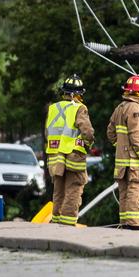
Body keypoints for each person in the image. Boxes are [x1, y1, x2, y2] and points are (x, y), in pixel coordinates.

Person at [106, 74, 139, 231]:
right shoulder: (136, 108)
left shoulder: (120, 108)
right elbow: (137, 135)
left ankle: (125, 222)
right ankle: (135, 223)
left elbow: (110, 133)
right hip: (134, 161)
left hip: (122, 161)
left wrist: (121, 146)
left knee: (124, 191)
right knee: (137, 190)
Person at [45, 75, 94, 225]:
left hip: (55, 156)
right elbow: (87, 131)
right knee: (74, 188)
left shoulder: (53, 108)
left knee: (58, 190)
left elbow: (48, 131)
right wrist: (89, 144)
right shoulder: (79, 108)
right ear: (76, 94)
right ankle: (67, 223)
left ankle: (57, 220)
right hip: (73, 155)